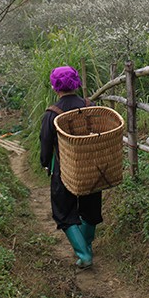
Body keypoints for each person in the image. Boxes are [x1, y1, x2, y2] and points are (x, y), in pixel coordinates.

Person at [39, 65, 101, 268]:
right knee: (90, 209)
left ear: (55, 86)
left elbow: (46, 143)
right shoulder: (89, 106)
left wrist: (45, 164)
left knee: (64, 212)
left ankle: (84, 255)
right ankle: (87, 248)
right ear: (77, 82)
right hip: (91, 166)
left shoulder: (52, 113)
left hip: (64, 169)